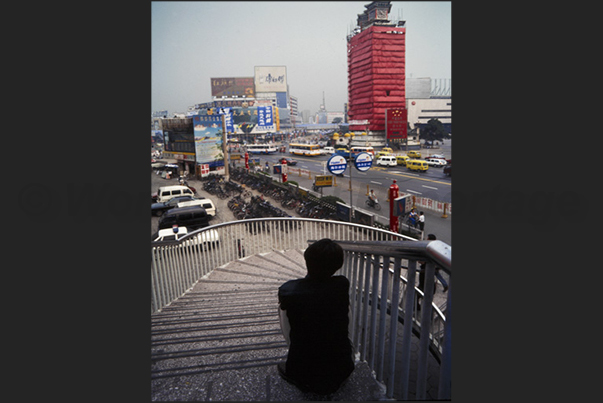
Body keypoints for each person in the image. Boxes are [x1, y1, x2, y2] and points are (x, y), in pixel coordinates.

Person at [277, 239, 355, 395]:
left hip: (302, 373)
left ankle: (293, 355)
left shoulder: (288, 290)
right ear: (338, 265)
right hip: (342, 368)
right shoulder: (342, 285)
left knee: (283, 309)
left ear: (307, 261)